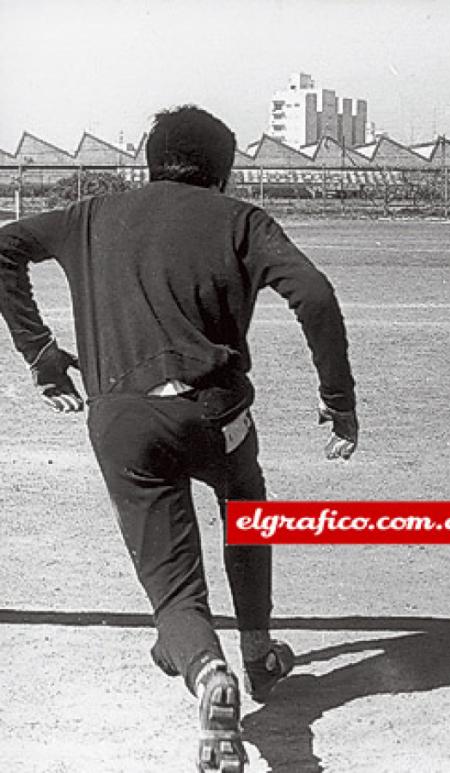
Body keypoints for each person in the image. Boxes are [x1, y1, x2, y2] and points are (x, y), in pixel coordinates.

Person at [0, 105, 359, 773]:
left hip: (126, 422)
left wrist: (43, 354)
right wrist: (338, 401)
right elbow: (313, 293)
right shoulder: (242, 219)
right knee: (247, 501)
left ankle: (204, 666)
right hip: (219, 417)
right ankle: (257, 650)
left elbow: (2, 248)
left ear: (148, 160)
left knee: (173, 585)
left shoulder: (90, 215)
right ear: (223, 174)